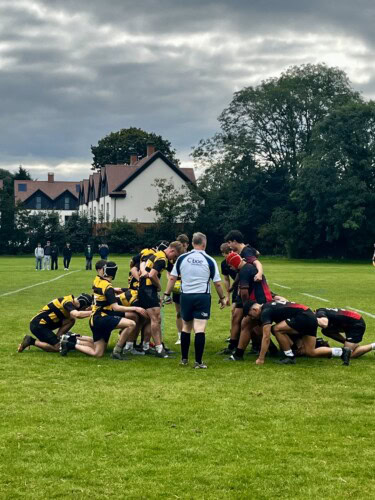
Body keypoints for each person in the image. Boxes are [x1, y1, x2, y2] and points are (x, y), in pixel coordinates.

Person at [61, 260, 147, 359]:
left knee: (98, 352)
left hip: (96, 318)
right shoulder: (108, 288)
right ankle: (117, 351)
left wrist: (114, 290)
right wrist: (136, 308)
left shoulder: (97, 280)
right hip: (101, 318)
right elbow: (116, 307)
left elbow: (102, 289)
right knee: (131, 324)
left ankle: (71, 341)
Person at [164, 232, 226, 368]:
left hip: (185, 296)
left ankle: (184, 359)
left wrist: (167, 294)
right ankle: (198, 361)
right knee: (200, 328)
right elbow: (217, 283)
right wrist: (222, 298)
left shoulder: (182, 258)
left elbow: (172, 278)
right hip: (202, 296)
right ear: (204, 244)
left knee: (186, 327)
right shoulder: (210, 260)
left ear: (192, 243)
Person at [242, 300, 351, 366]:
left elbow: (266, 337)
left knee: (276, 329)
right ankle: (342, 352)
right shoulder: (269, 305)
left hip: (304, 317)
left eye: (251, 315)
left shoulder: (265, 311)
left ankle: (289, 356)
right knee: (310, 352)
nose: (252, 318)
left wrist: (261, 358)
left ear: (255, 310)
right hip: (309, 317)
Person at [224, 251, 274, 361]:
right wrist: (232, 287)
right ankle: (273, 349)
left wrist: (246, 307)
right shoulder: (247, 267)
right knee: (257, 327)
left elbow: (244, 292)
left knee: (246, 324)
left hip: (259, 301)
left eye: (231, 265)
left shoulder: (244, 271)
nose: (231, 268)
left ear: (235, 263)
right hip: (265, 298)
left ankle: (238, 355)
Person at [138, 241, 183, 357]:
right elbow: (152, 274)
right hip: (148, 289)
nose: (174, 258)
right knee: (156, 318)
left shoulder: (158, 254)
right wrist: (159, 286)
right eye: (175, 255)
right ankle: (159, 349)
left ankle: (146, 346)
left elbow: (143, 264)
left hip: (145, 288)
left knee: (150, 319)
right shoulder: (162, 259)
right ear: (172, 251)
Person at [17, 293, 93, 353]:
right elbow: (77, 314)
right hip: (38, 325)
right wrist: (94, 312)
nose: (83, 310)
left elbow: (77, 316)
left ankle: (57, 339)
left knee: (71, 320)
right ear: (81, 305)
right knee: (58, 347)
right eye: (84, 308)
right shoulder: (67, 303)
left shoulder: (70, 300)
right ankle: (30, 341)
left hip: (46, 323)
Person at [172, 234, 190, 345]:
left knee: (188, 313)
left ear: (187, 245)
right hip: (177, 288)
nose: (181, 247)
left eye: (183, 245)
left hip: (188, 287)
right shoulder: (174, 257)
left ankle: (187, 334)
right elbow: (169, 272)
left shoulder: (191, 256)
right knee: (179, 313)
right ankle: (180, 336)